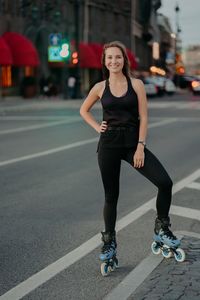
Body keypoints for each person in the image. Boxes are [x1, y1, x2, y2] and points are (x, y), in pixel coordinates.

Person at [80, 41, 181, 270]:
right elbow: (83, 110)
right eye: (109, 58)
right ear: (104, 62)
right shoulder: (99, 87)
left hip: (132, 143)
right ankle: (109, 243)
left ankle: (162, 227)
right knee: (111, 196)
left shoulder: (136, 84)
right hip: (108, 145)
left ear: (124, 60)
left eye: (118, 57)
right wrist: (98, 128)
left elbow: (144, 117)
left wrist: (140, 147)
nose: (114, 61)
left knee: (164, 182)